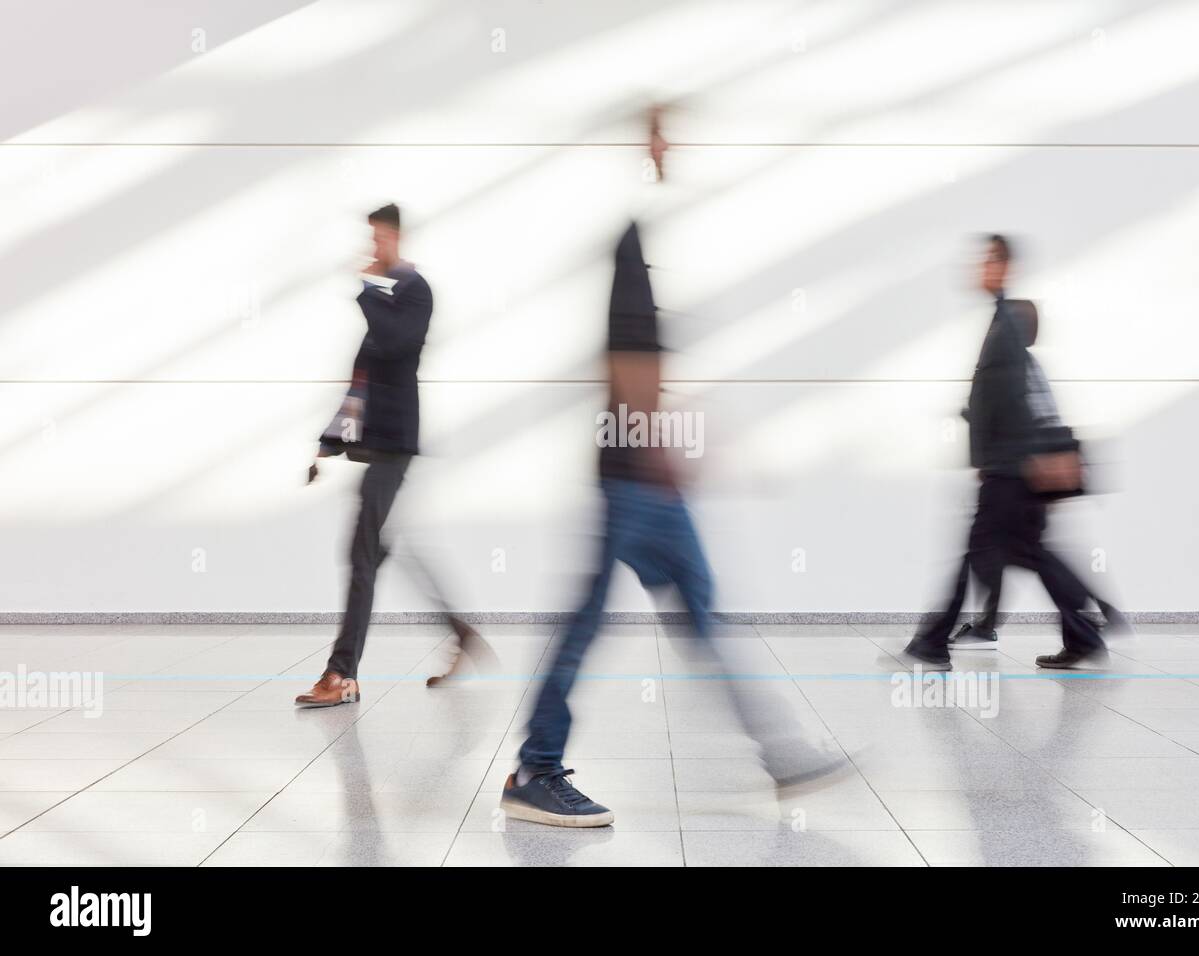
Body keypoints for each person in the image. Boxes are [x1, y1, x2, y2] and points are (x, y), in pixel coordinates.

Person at [499, 108, 843, 827]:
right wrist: (655, 441)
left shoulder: (645, 246)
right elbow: (622, 358)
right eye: (658, 132)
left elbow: (641, 360)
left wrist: (684, 439)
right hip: (629, 479)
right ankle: (535, 769)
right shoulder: (627, 241)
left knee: (699, 614)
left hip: (645, 480)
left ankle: (779, 753)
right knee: (591, 622)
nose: (669, 146)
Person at [295, 203, 479, 707]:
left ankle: (341, 675)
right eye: (370, 239)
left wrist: (364, 289)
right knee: (379, 551)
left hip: (396, 444)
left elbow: (398, 345)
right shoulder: (392, 299)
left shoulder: (413, 292)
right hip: (380, 445)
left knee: (361, 554)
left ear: (394, 238)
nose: (371, 249)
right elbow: (362, 382)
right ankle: (460, 633)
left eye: (377, 239)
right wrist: (327, 444)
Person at [904, 235, 1109, 672]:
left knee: (979, 553)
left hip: (1009, 470)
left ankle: (933, 642)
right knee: (1030, 553)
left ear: (1003, 266)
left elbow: (1008, 402)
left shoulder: (1007, 324)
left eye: (986, 260)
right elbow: (999, 398)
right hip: (1013, 467)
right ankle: (1086, 633)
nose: (978, 268)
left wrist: (991, 458)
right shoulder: (1004, 323)